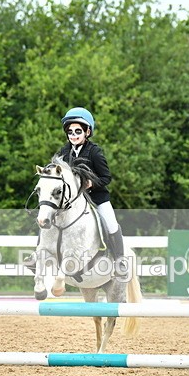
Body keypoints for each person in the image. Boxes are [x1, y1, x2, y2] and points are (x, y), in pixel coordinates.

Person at [26, 107, 127, 275]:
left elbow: (106, 177)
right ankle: (37, 255)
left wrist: (91, 184)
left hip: (96, 197)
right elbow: (55, 170)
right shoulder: (65, 151)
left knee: (111, 224)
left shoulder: (95, 152)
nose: (73, 135)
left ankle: (119, 261)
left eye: (78, 131)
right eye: (70, 132)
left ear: (87, 132)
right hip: (71, 199)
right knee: (46, 217)